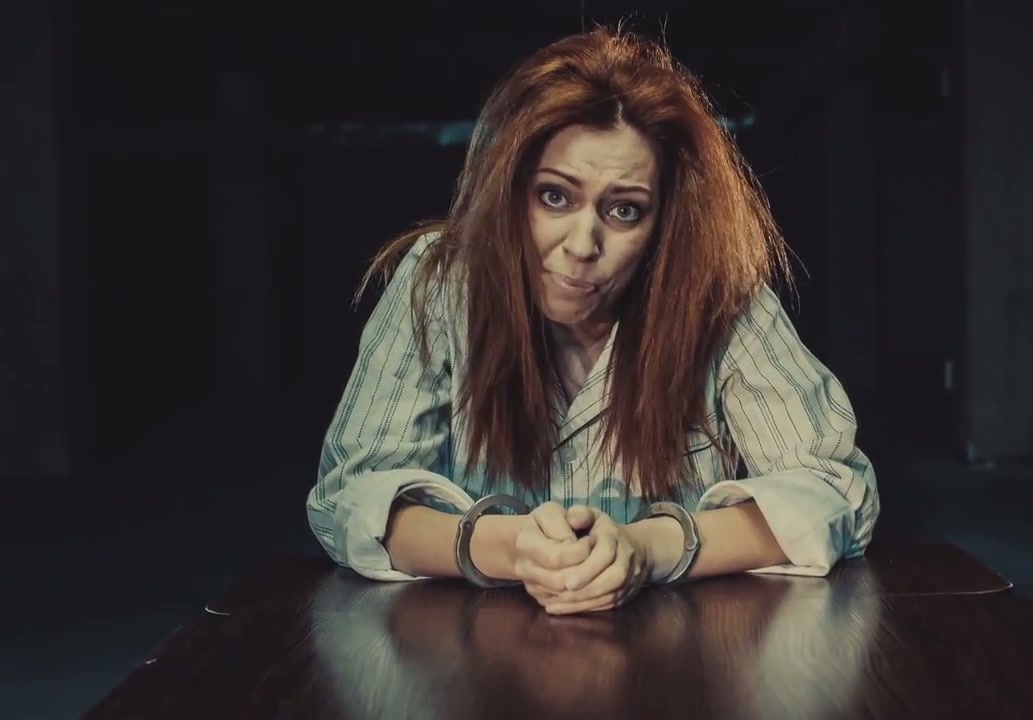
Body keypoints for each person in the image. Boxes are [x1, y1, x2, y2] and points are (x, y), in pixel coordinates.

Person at [305, 25, 880, 616]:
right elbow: (349, 499)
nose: (582, 245)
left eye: (624, 210)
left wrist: (646, 548)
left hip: (682, 652)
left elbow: (836, 493)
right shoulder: (441, 280)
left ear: (663, 224)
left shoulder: (719, 295)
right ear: (510, 191)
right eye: (555, 196)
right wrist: (509, 547)